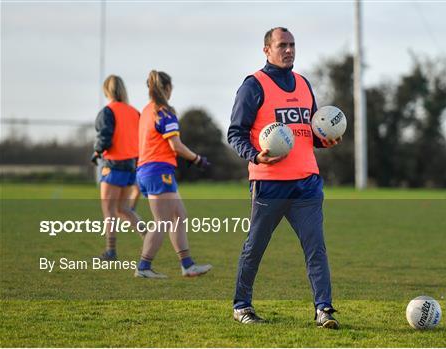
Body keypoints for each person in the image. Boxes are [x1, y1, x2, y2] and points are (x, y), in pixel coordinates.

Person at [227, 27, 341, 328]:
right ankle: (241, 306)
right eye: (282, 45)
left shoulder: (303, 83)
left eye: (292, 45)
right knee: (256, 246)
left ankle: (324, 310)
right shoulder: (254, 85)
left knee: (316, 247)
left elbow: (310, 131)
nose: (288, 50)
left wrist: (325, 139)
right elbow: (235, 133)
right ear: (267, 49)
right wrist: (255, 155)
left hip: (307, 183)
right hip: (270, 183)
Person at [134, 70, 212, 279]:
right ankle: (143, 267)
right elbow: (175, 145)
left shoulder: (146, 110)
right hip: (158, 171)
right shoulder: (164, 111)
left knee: (179, 216)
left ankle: (187, 265)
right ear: (167, 89)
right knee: (163, 221)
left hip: (146, 170)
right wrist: (197, 159)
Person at [92, 75, 144, 261]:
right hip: (131, 165)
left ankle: (111, 251)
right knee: (124, 208)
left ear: (107, 90)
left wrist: (97, 151)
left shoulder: (108, 111)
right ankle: (147, 235)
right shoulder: (135, 112)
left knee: (109, 210)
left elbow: (104, 138)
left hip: (113, 164)